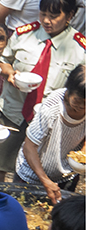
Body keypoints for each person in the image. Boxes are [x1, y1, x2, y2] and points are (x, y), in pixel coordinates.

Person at [0, 0, 85, 180]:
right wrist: (10, 73)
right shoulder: (24, 34)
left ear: (70, 15)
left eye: (54, 16)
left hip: (49, 121)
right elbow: (3, 59)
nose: (46, 21)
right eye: (43, 14)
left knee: (35, 170)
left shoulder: (80, 48)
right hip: (13, 111)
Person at [16, 65, 86, 203]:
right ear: (68, 91)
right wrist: (45, 180)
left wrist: (83, 154)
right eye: (78, 101)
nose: (82, 107)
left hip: (66, 173)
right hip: (34, 175)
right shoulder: (52, 108)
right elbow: (29, 147)